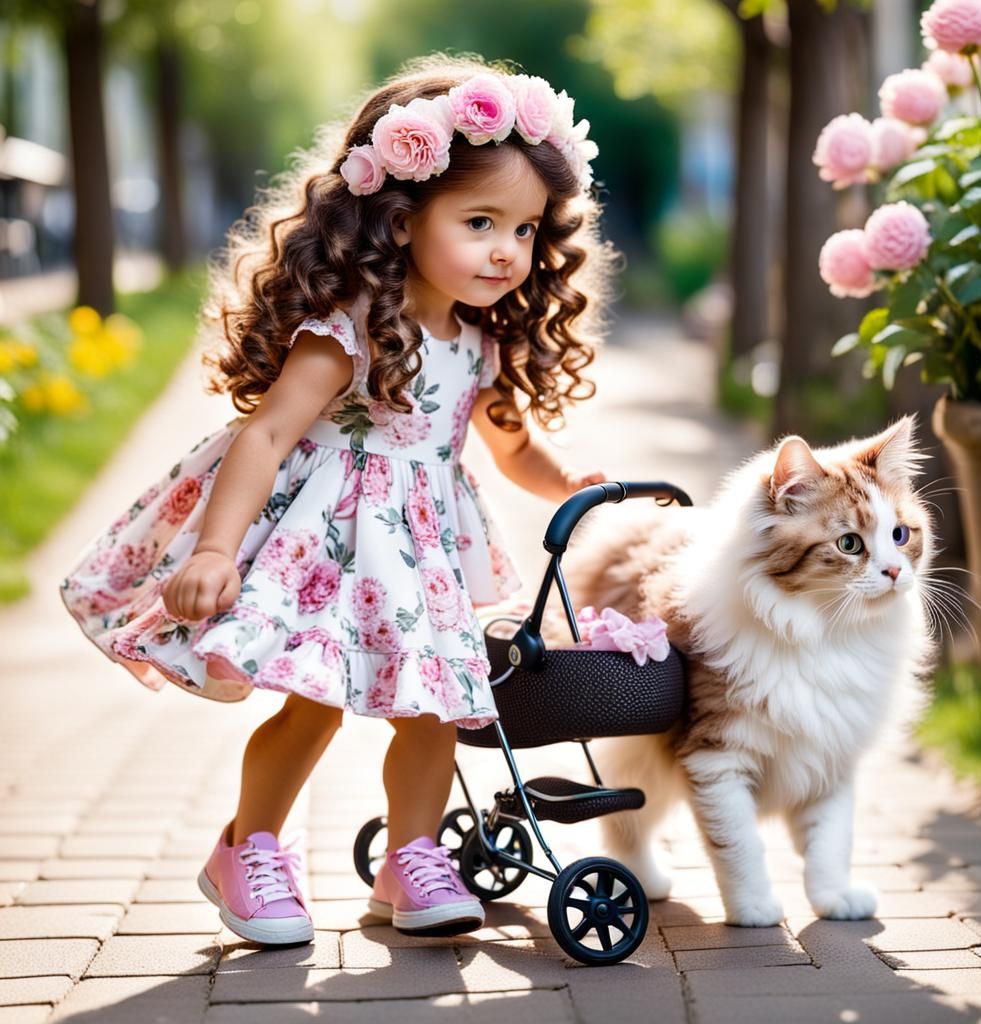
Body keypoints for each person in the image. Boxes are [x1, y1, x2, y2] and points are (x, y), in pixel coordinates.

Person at [59, 54, 615, 946]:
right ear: (400, 220)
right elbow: (269, 435)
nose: (507, 249)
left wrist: (569, 483)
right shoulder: (350, 327)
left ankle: (413, 854)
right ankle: (248, 847)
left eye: (523, 227)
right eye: (480, 222)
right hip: (322, 545)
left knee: (438, 703)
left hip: (420, 550)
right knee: (311, 702)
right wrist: (212, 552)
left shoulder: (481, 339)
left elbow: (512, 445)